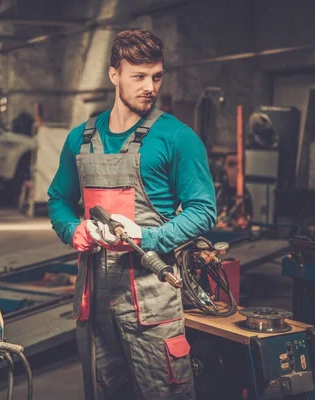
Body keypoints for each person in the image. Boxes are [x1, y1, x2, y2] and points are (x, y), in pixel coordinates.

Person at [47, 29, 217, 400]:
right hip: (94, 304)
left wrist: (146, 236)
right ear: (114, 75)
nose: (149, 87)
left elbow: (204, 211)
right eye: (138, 76)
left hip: (152, 302)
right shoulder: (80, 138)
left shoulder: (177, 138)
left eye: (156, 77)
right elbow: (58, 199)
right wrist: (72, 229)